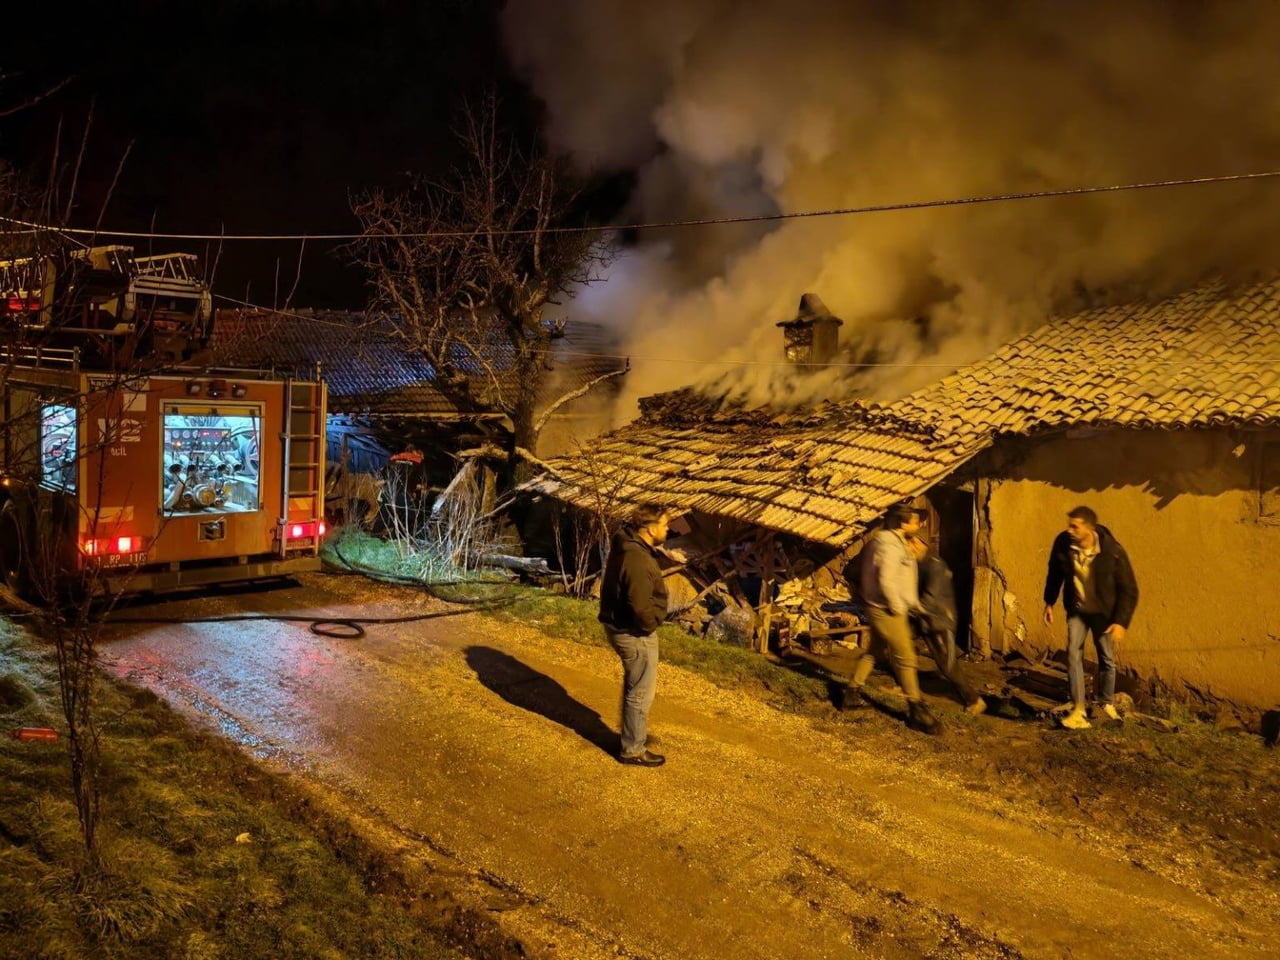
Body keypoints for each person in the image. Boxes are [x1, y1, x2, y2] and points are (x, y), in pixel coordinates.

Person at [846, 504, 942, 735]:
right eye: (915, 521)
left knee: (874, 652)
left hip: (882, 606)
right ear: (902, 523)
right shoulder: (889, 546)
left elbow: (902, 579)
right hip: (886, 609)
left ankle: (850, 693)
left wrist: (914, 604)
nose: (918, 525)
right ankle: (916, 710)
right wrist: (899, 606)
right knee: (906, 657)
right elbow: (887, 580)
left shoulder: (893, 542)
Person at [1042, 505, 1139, 730]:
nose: (1069, 530)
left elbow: (1129, 589)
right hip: (1077, 610)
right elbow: (1055, 572)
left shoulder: (1112, 551)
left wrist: (1120, 622)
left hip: (1103, 613)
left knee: (1106, 657)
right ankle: (1078, 708)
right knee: (1073, 654)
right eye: (1069, 525)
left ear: (1089, 528)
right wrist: (1049, 602)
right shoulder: (1063, 544)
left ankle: (1106, 703)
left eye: (1074, 527)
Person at [598, 504, 671, 766]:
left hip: (622, 625)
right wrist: (651, 624)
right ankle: (633, 749)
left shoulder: (628, 544)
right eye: (665, 525)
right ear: (650, 529)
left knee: (636, 686)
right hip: (634, 631)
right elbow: (639, 606)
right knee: (640, 691)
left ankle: (630, 738)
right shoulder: (637, 559)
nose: (668, 529)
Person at [907, 536, 986, 715]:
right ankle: (907, 686)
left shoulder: (935, 565)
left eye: (913, 543)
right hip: (927, 620)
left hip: (940, 622)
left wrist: (910, 608)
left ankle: (974, 699)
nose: (910, 547)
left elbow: (931, 597)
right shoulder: (921, 563)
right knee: (903, 648)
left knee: (948, 665)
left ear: (921, 544)